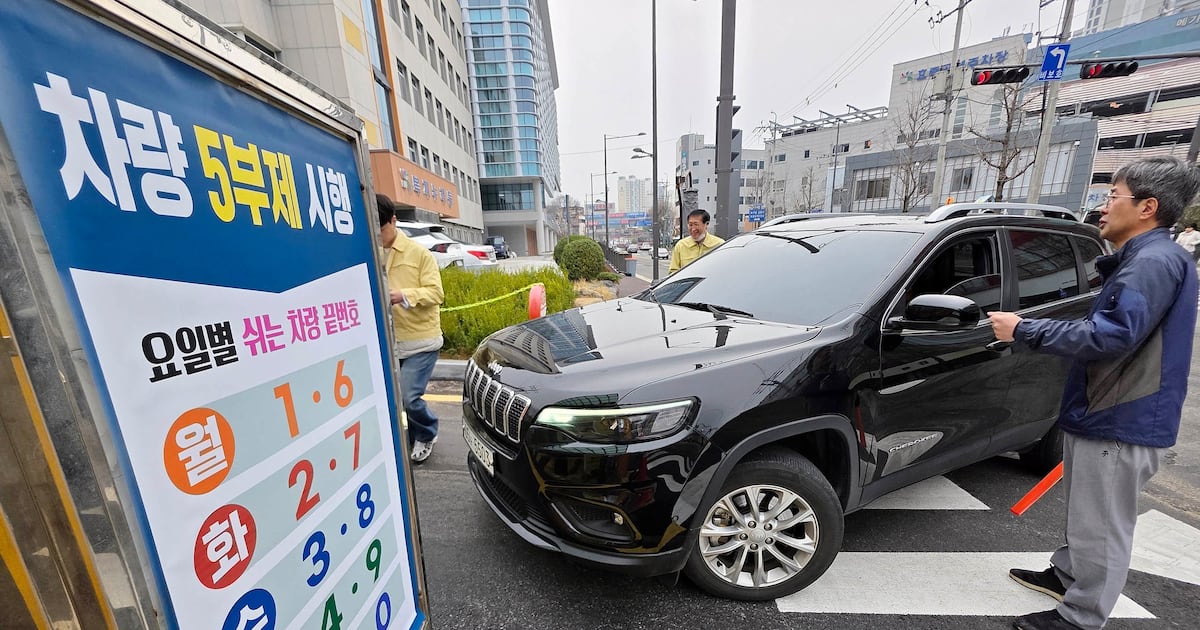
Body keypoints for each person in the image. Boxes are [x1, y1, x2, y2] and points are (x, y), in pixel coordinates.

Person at [988, 156, 1200, 630]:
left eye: (1112, 196)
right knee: (1088, 513)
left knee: (1103, 524)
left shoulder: (1152, 262)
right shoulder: (1151, 258)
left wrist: (1023, 329)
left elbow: (1111, 335)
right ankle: (1067, 577)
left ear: (1147, 207)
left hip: (1123, 415)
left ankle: (1081, 617)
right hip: (1112, 408)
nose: (1102, 206)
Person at [377, 194, 445, 463]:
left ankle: (427, 432)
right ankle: (408, 436)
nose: (378, 235)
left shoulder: (419, 254)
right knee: (392, 398)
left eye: (381, 229)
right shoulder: (371, 250)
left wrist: (402, 295)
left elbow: (435, 293)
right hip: (390, 340)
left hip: (421, 341)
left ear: (393, 221)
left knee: (408, 396)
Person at [668, 209, 725, 274]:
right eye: (690, 225)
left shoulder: (719, 245)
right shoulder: (681, 245)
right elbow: (673, 272)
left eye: (696, 224)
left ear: (706, 224)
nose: (693, 229)